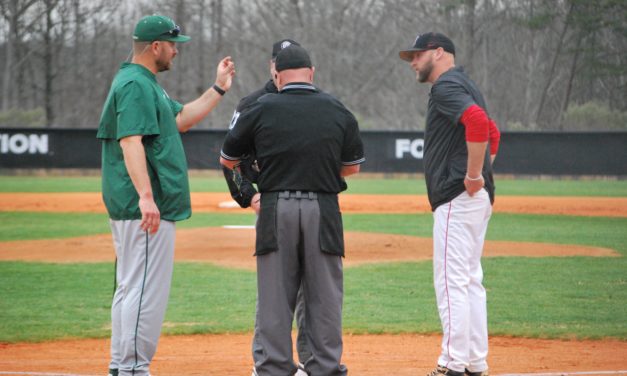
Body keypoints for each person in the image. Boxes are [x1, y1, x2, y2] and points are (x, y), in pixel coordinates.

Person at [96, 14, 234, 376]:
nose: (176, 51)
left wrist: (218, 89)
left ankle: (122, 365)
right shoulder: (136, 84)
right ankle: (132, 368)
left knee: (130, 288)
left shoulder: (144, 82)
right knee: (144, 291)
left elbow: (181, 120)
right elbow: (130, 141)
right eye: (173, 44)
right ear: (155, 46)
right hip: (142, 205)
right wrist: (145, 196)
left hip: (139, 204)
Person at [220, 45, 364, 376]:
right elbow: (352, 168)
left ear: (278, 76)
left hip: (275, 208)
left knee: (274, 296)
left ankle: (273, 369)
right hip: (323, 209)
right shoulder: (336, 109)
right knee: (324, 297)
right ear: (311, 73)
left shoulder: (259, 107)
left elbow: (228, 160)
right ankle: (324, 368)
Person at [398, 32, 501, 376]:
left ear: (439, 53)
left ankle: (453, 364)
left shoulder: (445, 86)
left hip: (458, 196)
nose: (412, 61)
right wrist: (482, 172)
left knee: (452, 281)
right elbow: (493, 131)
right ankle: (474, 362)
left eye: (417, 54)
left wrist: (473, 174)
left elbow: (477, 124)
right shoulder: (466, 84)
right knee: (470, 280)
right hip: (473, 199)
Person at [221, 38, 311, 376]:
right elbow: (230, 159)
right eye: (278, 62)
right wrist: (249, 195)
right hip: (272, 202)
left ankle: (307, 359)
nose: (281, 67)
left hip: (310, 202)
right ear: (272, 66)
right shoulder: (253, 103)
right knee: (275, 287)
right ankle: (267, 361)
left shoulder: (311, 100)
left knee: (310, 288)